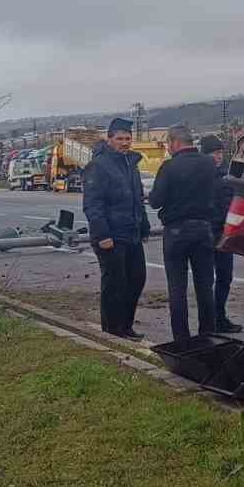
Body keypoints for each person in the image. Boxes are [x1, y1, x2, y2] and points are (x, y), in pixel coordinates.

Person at [82, 117, 151, 339]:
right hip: (110, 236)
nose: (124, 142)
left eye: (128, 138)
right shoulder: (99, 166)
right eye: (120, 138)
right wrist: (102, 234)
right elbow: (93, 204)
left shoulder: (131, 164)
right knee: (115, 284)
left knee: (137, 279)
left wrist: (144, 225)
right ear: (109, 140)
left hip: (131, 234)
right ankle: (112, 331)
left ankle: (126, 325)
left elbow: (137, 198)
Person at [149, 123, 219, 344]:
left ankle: (182, 339)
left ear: (175, 142)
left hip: (177, 231)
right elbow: (218, 195)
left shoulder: (169, 167)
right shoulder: (209, 164)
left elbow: (156, 201)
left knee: (177, 287)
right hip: (204, 229)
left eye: (168, 143)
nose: (168, 148)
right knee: (205, 285)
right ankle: (208, 335)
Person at [199, 133, 243, 335]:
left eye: (220, 153)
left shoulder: (227, 175)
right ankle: (209, 321)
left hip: (224, 234)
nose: (218, 157)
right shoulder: (199, 175)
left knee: (225, 277)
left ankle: (219, 317)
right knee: (207, 280)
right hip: (205, 234)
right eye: (214, 153)